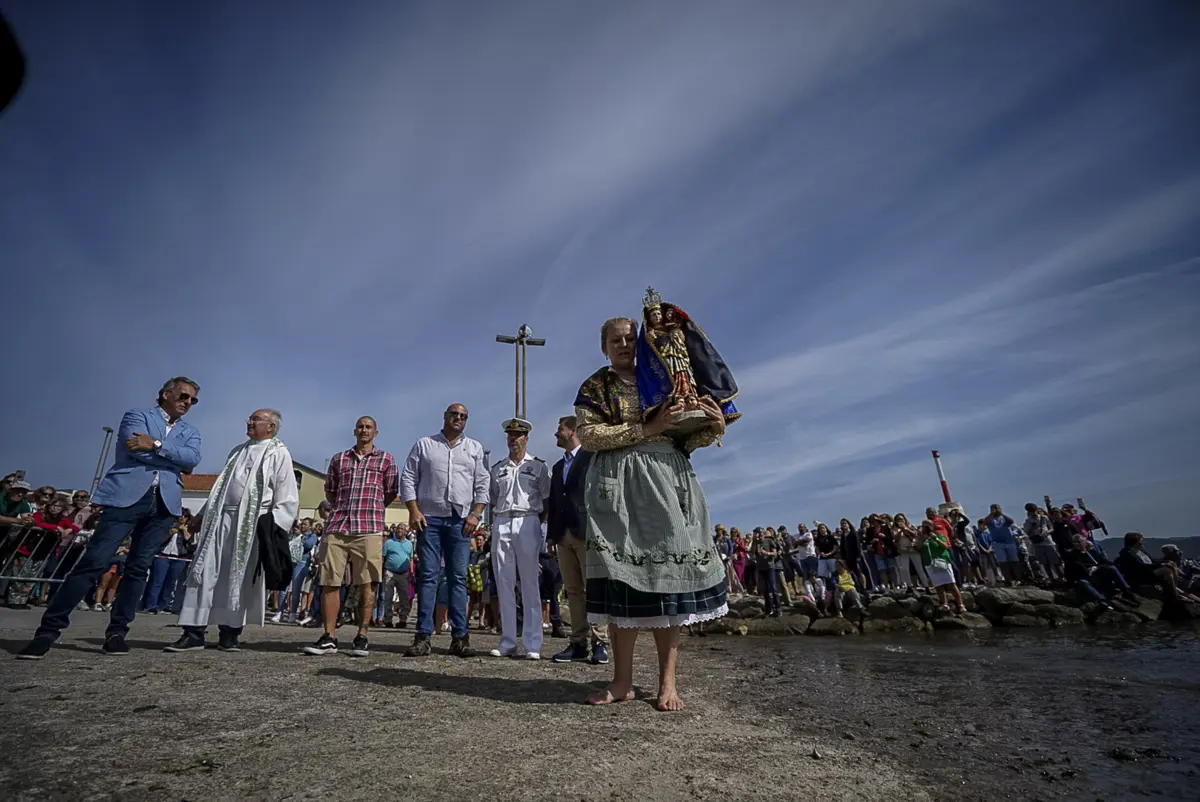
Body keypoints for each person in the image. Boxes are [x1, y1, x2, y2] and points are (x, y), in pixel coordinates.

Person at [575, 315, 731, 711]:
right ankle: (622, 680)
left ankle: (667, 682)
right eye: (615, 340)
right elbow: (590, 435)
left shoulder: (665, 379)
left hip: (669, 481)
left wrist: (712, 427)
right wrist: (645, 429)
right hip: (619, 485)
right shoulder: (596, 386)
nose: (624, 345)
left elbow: (684, 439)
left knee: (670, 585)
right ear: (604, 347)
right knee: (622, 584)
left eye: (630, 338)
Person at [18, 377, 202, 659]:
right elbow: (133, 447)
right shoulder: (137, 416)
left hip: (164, 504)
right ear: (166, 394)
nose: (188, 402)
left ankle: (117, 632)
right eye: (184, 396)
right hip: (127, 497)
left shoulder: (190, 431)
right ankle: (47, 632)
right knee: (94, 561)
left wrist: (153, 444)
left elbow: (191, 460)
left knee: (139, 568)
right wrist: (170, 457)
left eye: (193, 400)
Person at [166, 410, 299, 652]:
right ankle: (193, 631)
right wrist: (202, 515)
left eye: (255, 419)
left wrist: (273, 529)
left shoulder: (278, 453)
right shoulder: (237, 451)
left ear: (270, 427)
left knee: (239, 576)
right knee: (205, 571)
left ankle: (230, 633)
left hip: (251, 524)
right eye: (249, 418)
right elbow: (222, 489)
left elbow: (287, 494)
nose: (249, 421)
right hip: (220, 518)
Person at [302, 416, 398, 658]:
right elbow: (330, 491)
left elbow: (390, 491)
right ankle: (329, 636)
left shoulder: (386, 459)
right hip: (338, 526)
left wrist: (372, 508)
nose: (364, 430)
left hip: (369, 526)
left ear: (376, 432)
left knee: (367, 582)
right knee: (329, 581)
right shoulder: (339, 459)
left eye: (369, 427)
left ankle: (362, 636)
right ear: (354, 430)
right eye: (360, 426)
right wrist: (343, 509)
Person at [400, 403, 488, 658]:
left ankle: (460, 637)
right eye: (454, 414)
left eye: (463, 416)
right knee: (428, 576)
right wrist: (413, 511)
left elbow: (482, 482)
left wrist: (476, 513)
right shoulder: (425, 445)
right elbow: (408, 478)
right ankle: (423, 636)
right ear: (445, 417)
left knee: (458, 579)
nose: (458, 418)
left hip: (461, 521)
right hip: (430, 519)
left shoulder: (474, 448)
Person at [545, 416, 610, 663]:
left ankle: (600, 641)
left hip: (587, 531)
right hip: (563, 535)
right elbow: (554, 501)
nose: (555, 433)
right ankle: (578, 642)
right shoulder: (558, 467)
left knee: (594, 588)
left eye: (559, 428)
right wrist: (552, 534)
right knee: (572, 590)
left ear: (573, 431)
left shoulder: (592, 458)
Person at [485, 418, 551, 660]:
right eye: (510, 435)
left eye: (518, 435)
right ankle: (508, 641)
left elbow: (546, 500)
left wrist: (537, 523)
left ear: (526, 438)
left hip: (528, 519)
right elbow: (492, 498)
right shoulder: (498, 468)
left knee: (530, 582)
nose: (513, 439)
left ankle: (533, 643)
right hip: (501, 519)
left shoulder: (539, 467)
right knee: (504, 582)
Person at [917, 521, 967, 614]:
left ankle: (960, 604)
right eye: (924, 526)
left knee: (951, 584)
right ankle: (944, 603)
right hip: (930, 563)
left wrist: (935, 539)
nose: (925, 527)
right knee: (938, 585)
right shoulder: (922, 538)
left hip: (942, 561)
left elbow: (945, 546)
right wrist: (920, 537)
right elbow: (918, 547)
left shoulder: (938, 535)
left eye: (927, 525)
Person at [380, 524, 414, 627]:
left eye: (402, 529)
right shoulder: (389, 543)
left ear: (406, 532)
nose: (399, 530)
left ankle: (403, 620)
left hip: (403, 574)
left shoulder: (409, 544)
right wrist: (381, 571)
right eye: (398, 528)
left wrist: (411, 571)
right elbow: (383, 557)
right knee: (388, 597)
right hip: (390, 572)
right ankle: (388, 620)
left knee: (404, 598)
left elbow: (411, 558)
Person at [984, 505, 1018, 584]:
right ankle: (1007, 579)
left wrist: (1001, 513)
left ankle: (1017, 578)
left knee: (1014, 561)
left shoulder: (1004, 518)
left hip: (1009, 542)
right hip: (997, 543)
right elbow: (985, 522)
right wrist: (991, 514)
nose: (995, 510)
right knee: (1003, 562)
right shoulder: (990, 519)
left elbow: (1011, 521)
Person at [752, 527, 782, 617]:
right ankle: (768, 610)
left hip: (769, 567)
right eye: (757, 533)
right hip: (760, 568)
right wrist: (754, 541)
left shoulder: (769, 541)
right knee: (764, 589)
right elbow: (751, 552)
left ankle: (778, 608)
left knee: (773, 588)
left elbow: (775, 553)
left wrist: (767, 553)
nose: (759, 535)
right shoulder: (756, 543)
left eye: (761, 533)